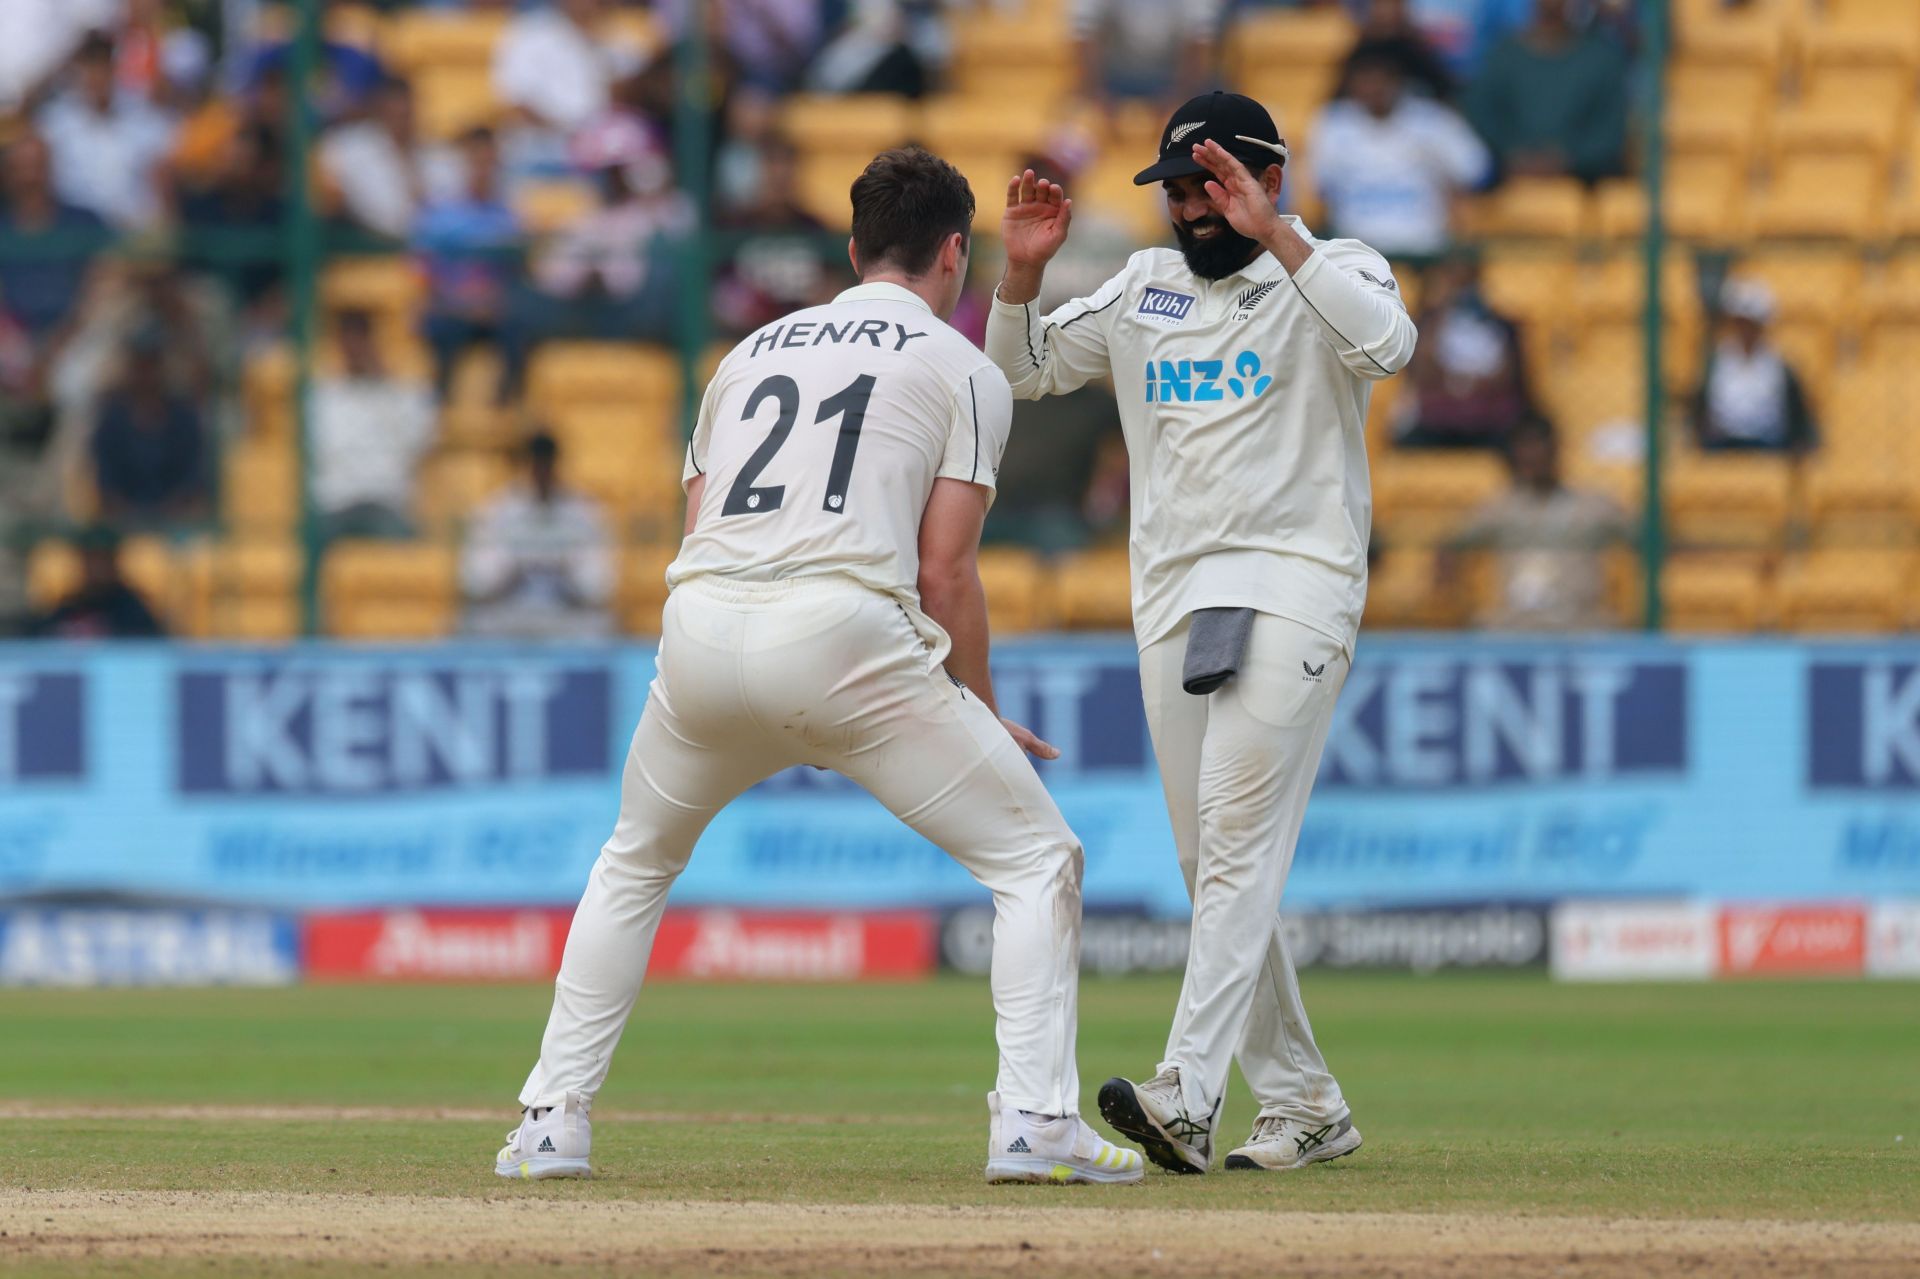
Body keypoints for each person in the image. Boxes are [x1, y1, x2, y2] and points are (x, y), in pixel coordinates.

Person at [497, 147, 1142, 1188]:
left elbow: (703, 523)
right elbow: (946, 571)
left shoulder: (745, 354)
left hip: (700, 628)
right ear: (953, 256)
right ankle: (1033, 1122)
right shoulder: (961, 364)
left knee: (633, 861)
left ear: (850, 250)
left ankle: (547, 1121)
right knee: (1035, 861)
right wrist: (974, 708)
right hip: (846, 637)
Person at [985, 91, 1416, 1175]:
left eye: (1210, 185)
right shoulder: (1143, 287)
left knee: (1232, 839)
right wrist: (1023, 277)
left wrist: (1282, 235)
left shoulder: (1339, 267)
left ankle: (1185, 1091)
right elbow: (1021, 370)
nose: (1189, 209)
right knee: (1211, 860)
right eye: (1176, 191)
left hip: (1300, 580)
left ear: (1266, 178)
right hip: (1175, 595)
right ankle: (1308, 1101)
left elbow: (1390, 347)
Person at [1440, 415, 1633, 630]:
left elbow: (1647, 540)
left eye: (1537, 445)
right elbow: (1452, 544)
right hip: (1515, 621)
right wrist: (1454, 598)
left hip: (1580, 621)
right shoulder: (1500, 506)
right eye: (1524, 447)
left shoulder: (1594, 504)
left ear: (1555, 449)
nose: (1532, 455)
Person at [1311, 49, 1490, 257]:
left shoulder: (1433, 120)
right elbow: (1319, 187)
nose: (1374, 89)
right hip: (1356, 249)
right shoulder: (1334, 122)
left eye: (1381, 80)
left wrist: (1439, 164)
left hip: (1427, 246)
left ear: (1398, 82)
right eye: (1366, 81)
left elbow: (1477, 171)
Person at [459, 432, 614, 640]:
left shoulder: (584, 514)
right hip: (509, 616)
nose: (542, 473)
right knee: (473, 624)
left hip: (565, 617)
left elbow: (598, 587)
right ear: (526, 466)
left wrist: (563, 567)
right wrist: (514, 567)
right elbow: (476, 582)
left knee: (599, 628)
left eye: (547, 465)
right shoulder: (498, 512)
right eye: (536, 465)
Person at [413, 127, 521, 401]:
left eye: (489, 162)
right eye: (476, 161)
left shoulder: (508, 217)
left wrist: (492, 302)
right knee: (444, 331)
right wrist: (460, 303)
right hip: (450, 310)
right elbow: (424, 276)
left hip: (493, 312)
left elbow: (515, 276)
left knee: (521, 327)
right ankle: (440, 408)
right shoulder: (438, 216)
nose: (483, 170)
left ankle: (507, 410)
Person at [1465, 0, 1629, 182]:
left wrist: (1565, 160)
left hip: (1586, 187)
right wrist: (1515, 157)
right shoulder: (1502, 56)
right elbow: (1480, 121)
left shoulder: (1602, 59)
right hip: (1505, 185)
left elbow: (1609, 134)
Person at [309, 309, 437, 541]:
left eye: (360, 340)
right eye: (348, 341)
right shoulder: (324, 396)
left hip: (384, 502)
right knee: (307, 545)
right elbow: (319, 451)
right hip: (335, 503)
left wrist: (385, 387)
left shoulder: (404, 394)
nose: (355, 350)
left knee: (401, 542)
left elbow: (420, 440)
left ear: (373, 343)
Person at [35, 31, 176, 230]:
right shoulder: (54, 124)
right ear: (78, 70)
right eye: (90, 65)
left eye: (103, 64)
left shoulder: (145, 118)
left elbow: (162, 186)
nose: (97, 74)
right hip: (76, 233)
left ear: (114, 68)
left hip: (134, 233)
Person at [1397, 252, 1533, 448]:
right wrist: (1442, 308)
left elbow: (1508, 376)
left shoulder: (1502, 325)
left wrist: (1462, 384)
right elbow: (1423, 372)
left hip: (1490, 418)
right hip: (1437, 420)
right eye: (1452, 276)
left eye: (1466, 278)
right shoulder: (1426, 323)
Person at [89, 327, 209, 525]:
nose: (146, 372)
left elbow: (192, 482)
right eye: (140, 363)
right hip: (122, 526)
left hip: (176, 527)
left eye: (152, 363)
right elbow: (105, 484)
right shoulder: (111, 420)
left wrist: (166, 517)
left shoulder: (184, 418)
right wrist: (131, 518)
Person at [1690, 278, 1817, 455]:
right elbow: (1700, 410)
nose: (1744, 330)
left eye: (1750, 323)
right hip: (1723, 446)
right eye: (1740, 323)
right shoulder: (1716, 364)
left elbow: (1797, 415)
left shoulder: (1779, 367)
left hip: (1769, 446)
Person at [1073, 0, 1222, 111]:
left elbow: (1198, 39)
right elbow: (1085, 33)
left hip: (1170, 77)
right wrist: (1096, 93)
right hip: (1113, 77)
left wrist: (1180, 96)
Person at [30, 526, 164, 639]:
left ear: (114, 561)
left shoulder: (133, 606)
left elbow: (149, 646)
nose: (96, 567)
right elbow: (42, 637)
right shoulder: (73, 603)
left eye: (102, 559)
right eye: (90, 559)